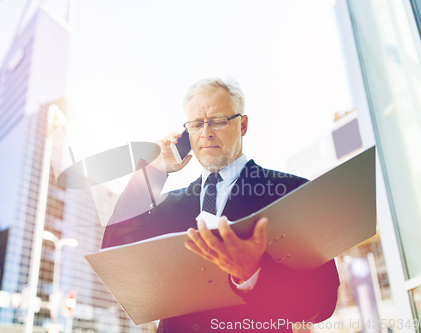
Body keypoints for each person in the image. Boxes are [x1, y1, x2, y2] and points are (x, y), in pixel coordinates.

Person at [101, 78, 340, 333]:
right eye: (196, 124)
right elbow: (115, 250)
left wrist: (255, 273)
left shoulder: (294, 192)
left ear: (243, 125)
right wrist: (153, 171)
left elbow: (322, 303)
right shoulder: (168, 205)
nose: (206, 133)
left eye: (217, 121)